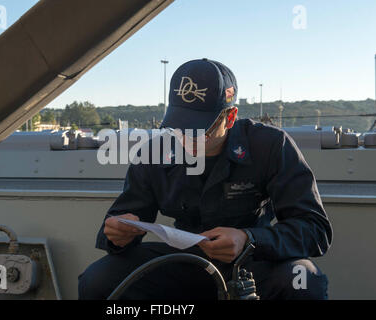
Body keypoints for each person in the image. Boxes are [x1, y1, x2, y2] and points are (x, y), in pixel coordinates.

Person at [78, 58, 333, 300]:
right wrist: (118, 234)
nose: (186, 137)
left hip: (254, 263)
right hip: (185, 262)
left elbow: (314, 230)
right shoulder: (155, 153)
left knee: (303, 279)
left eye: (200, 128)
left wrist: (249, 239)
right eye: (179, 125)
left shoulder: (270, 146)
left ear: (229, 118)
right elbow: (121, 220)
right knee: (98, 279)